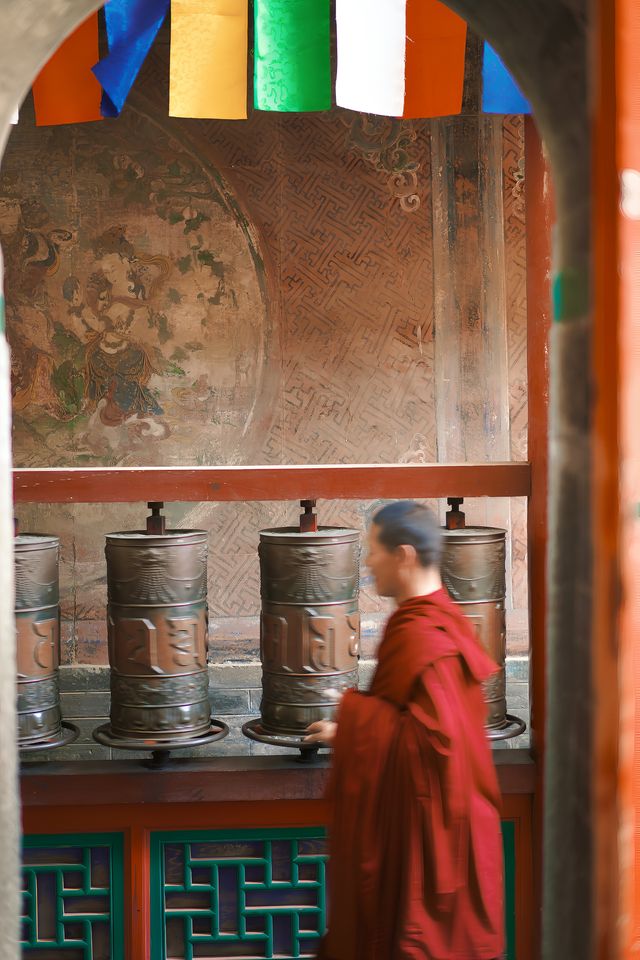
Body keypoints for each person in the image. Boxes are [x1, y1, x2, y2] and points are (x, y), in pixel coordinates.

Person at [305, 501, 505, 960]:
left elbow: (437, 745)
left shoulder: (424, 632)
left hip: (435, 843)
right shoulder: (434, 619)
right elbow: (415, 721)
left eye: (375, 552)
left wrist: (355, 723)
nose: (369, 563)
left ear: (405, 556)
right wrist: (352, 728)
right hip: (425, 821)